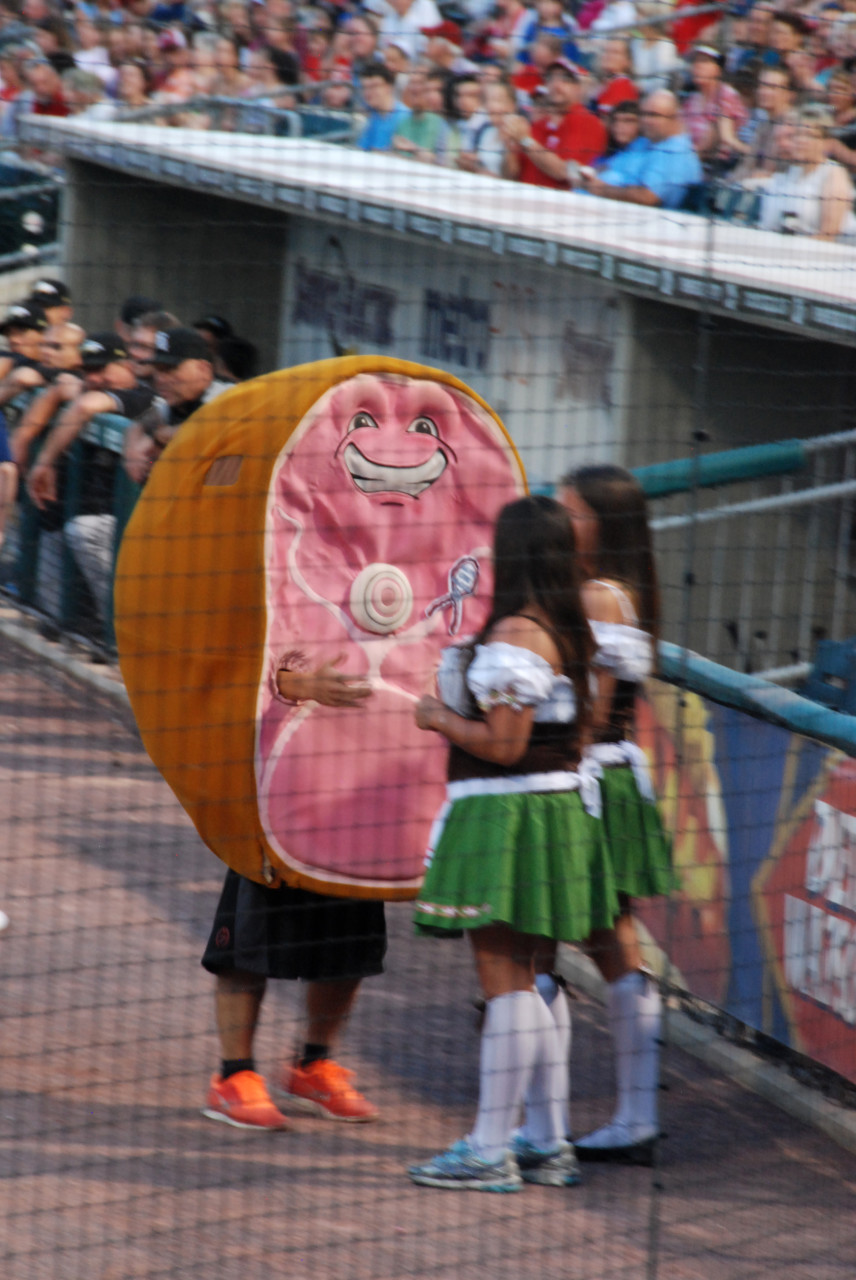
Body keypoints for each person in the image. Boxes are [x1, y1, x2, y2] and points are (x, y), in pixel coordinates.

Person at [408, 495, 611, 1192]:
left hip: (507, 818)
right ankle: (546, 1142)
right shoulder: (573, 627)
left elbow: (502, 743)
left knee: (507, 982)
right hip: (553, 815)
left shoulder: (521, 635)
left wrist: (437, 717)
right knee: (535, 977)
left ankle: (490, 1148)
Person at [558, 464, 675, 1164]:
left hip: (590, 778)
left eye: (572, 514)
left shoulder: (602, 597)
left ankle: (542, 1130)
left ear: (605, 524)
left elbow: (592, 716)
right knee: (607, 940)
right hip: (602, 776)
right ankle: (631, 1116)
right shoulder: (601, 590)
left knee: (559, 942)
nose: (562, 524)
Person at [579, 88, 703, 209]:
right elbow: (609, 166)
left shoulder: (676, 153)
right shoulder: (645, 142)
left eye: (653, 115)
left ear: (675, 118)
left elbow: (648, 197)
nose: (646, 120)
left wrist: (601, 189)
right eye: (644, 114)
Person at [503, 57, 607, 188]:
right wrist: (510, 146)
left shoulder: (589, 122)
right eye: (551, 78)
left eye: (565, 80)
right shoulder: (538, 125)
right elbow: (510, 175)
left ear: (578, 88)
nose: (556, 85)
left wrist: (525, 140)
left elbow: (564, 172)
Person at [759, 103, 856, 240]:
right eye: (797, 134)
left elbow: (829, 235)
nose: (801, 141)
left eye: (810, 135)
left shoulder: (833, 174)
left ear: (826, 142)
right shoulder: (786, 174)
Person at [356, 60, 410, 151]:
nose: (368, 93)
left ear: (388, 87)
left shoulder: (405, 117)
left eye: (374, 86)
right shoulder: (372, 118)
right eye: (365, 88)